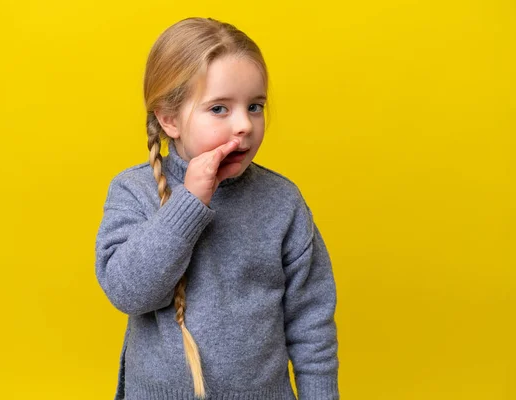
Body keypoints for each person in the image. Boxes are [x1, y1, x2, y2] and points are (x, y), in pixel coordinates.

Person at [94, 16, 340, 400]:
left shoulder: (282, 201)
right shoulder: (134, 190)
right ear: (169, 118)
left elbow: (312, 323)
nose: (244, 124)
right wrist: (188, 203)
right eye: (220, 109)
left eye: (255, 106)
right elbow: (129, 292)